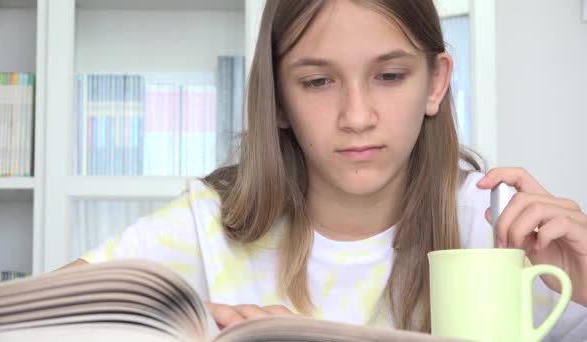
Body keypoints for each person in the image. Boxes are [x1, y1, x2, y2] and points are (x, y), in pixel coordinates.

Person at [63, 0, 587, 339]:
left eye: (388, 75)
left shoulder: (496, 232)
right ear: (278, 100)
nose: (357, 117)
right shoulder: (207, 225)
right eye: (317, 82)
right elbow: (22, 324)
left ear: (435, 83)